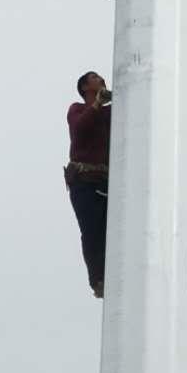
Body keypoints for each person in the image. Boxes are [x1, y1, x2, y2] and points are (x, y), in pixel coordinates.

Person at [65, 70, 112, 297]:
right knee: (92, 232)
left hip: (106, 183)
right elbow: (80, 129)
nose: (101, 78)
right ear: (85, 87)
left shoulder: (108, 114)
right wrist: (97, 105)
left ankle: (110, 273)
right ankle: (98, 280)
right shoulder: (77, 110)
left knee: (107, 233)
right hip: (83, 184)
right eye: (95, 77)